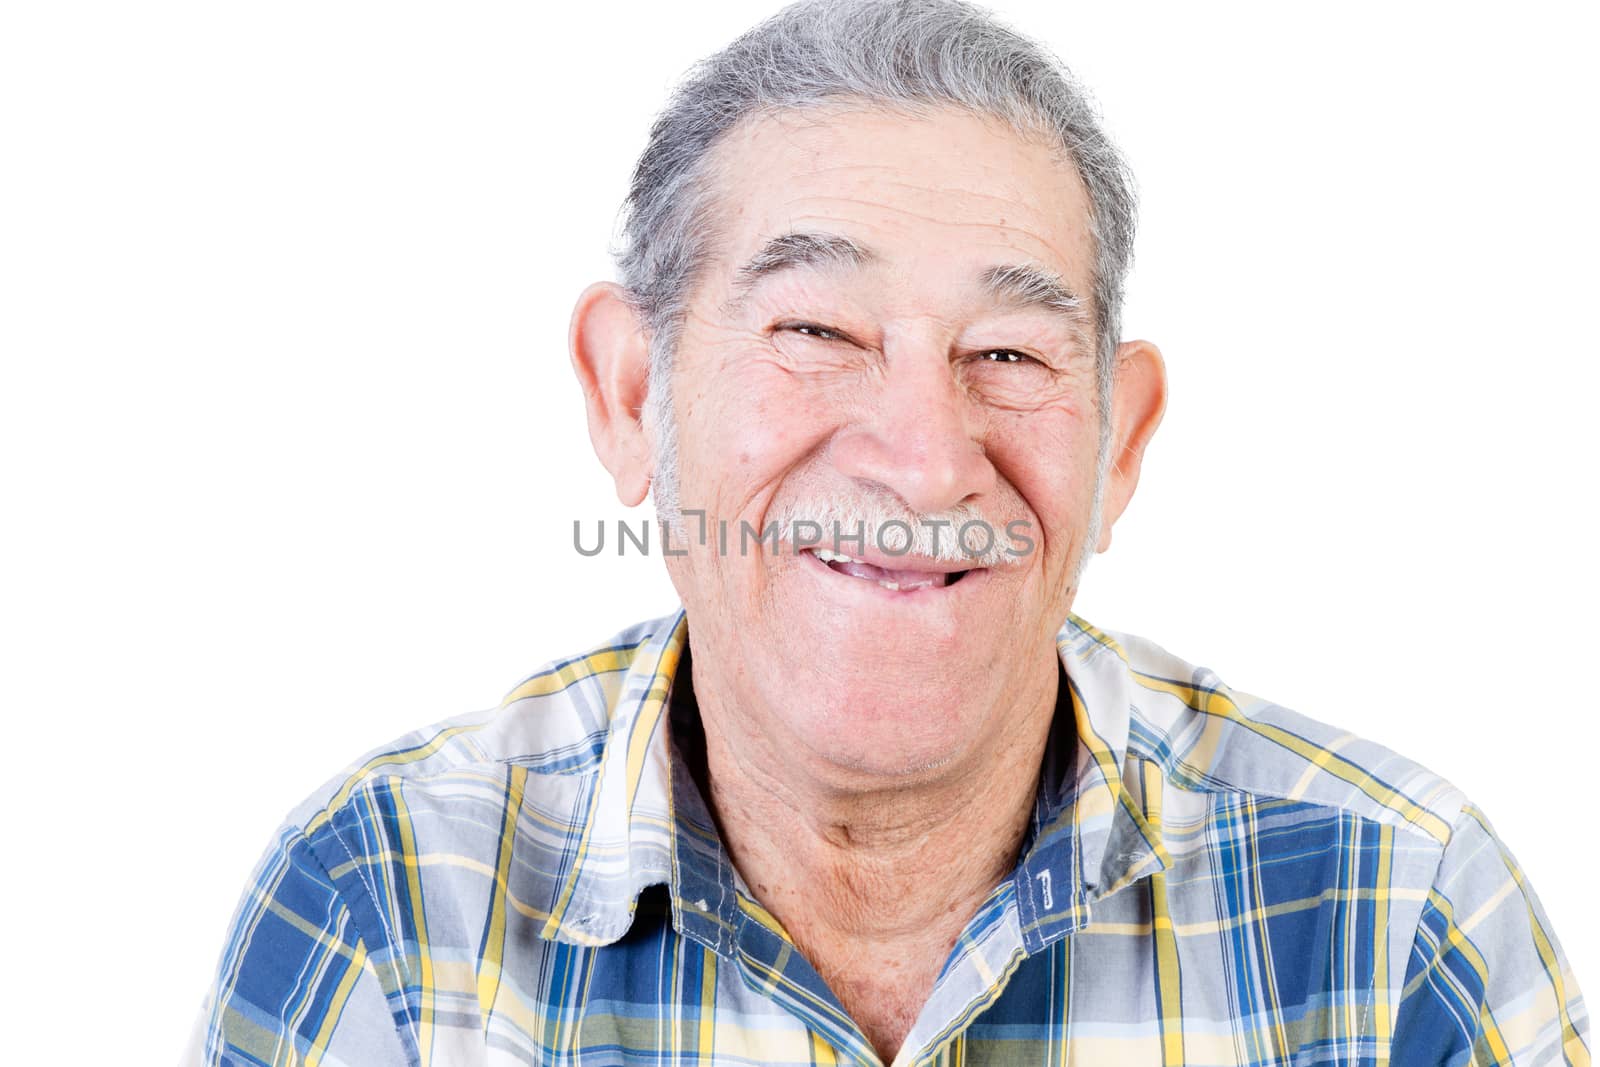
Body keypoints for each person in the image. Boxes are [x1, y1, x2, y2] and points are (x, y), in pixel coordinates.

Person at [186, 0, 1590, 1063]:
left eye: (1010, 353)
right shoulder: (384, 906)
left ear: (1121, 441)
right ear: (630, 395)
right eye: (814, 330)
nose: (923, 462)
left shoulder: (1394, 909)